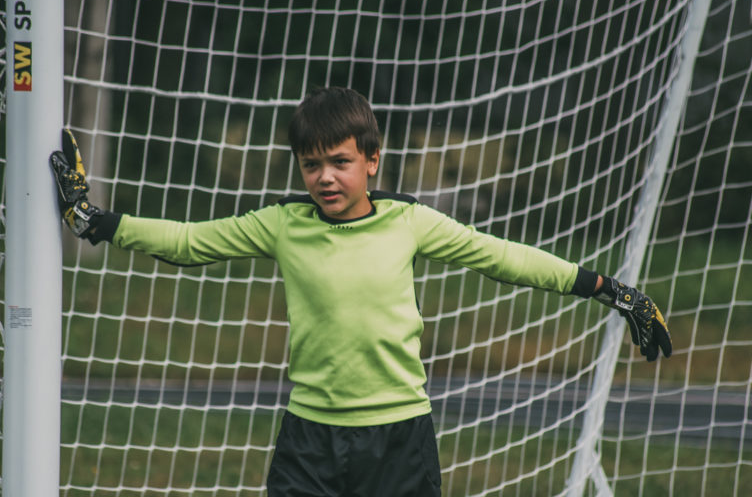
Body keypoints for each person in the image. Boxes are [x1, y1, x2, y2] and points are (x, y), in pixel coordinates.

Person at [50, 87, 672, 496]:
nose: (325, 176)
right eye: (311, 163)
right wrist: (95, 222)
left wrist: (611, 291)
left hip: (399, 438)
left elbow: (504, 259)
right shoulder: (281, 224)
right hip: (309, 439)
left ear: (371, 161)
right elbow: (190, 241)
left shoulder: (409, 221)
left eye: (340, 161)